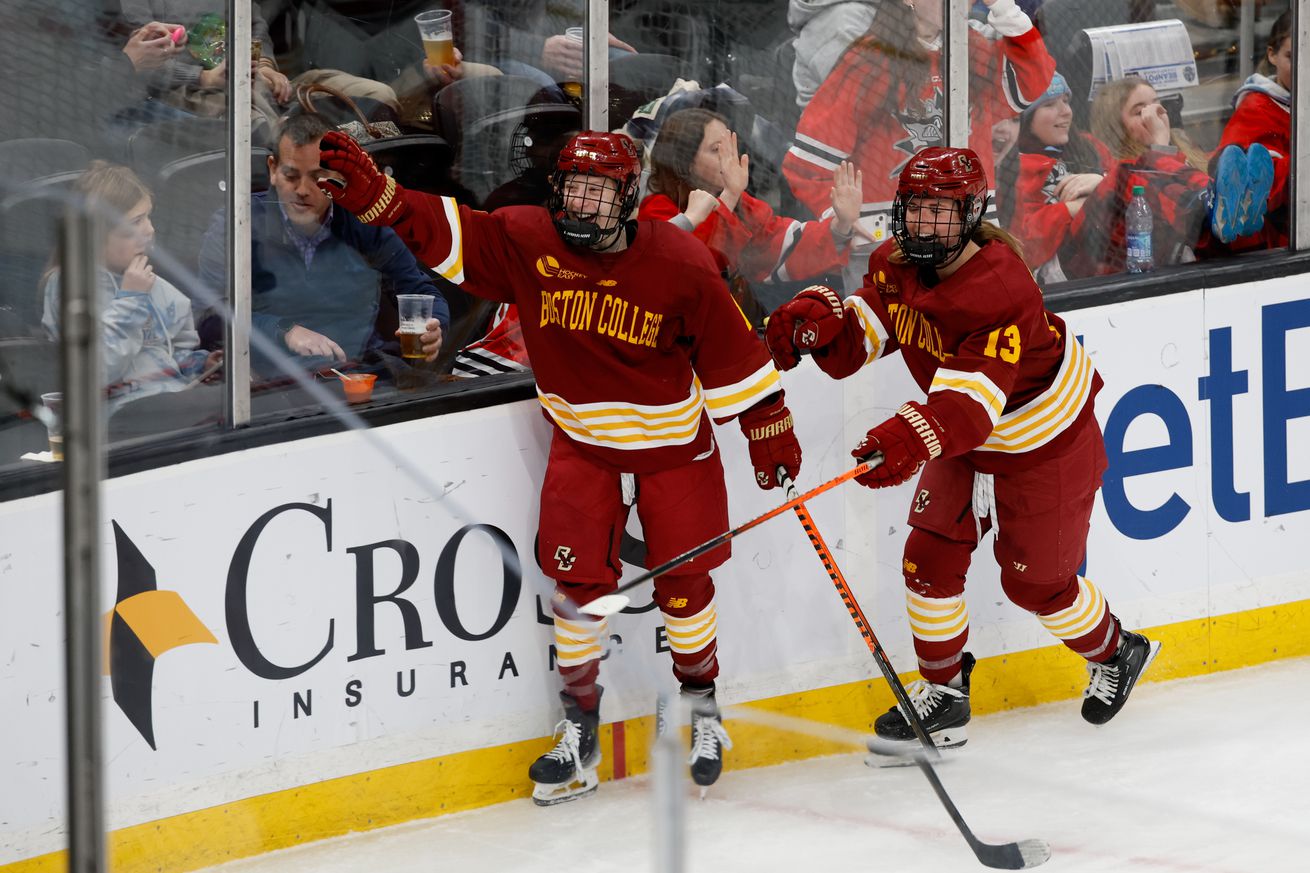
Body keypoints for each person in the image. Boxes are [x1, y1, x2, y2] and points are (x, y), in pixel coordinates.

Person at [316, 128, 804, 799]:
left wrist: (767, 426)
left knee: (685, 587)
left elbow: (731, 353)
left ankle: (700, 707)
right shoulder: (529, 240)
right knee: (576, 592)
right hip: (583, 446)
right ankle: (580, 729)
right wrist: (385, 199)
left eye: (597, 192)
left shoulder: (681, 261)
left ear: (627, 198)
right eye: (572, 188)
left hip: (672, 450)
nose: (581, 203)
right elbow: (449, 231)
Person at [765, 147, 1161, 755]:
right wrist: (823, 328)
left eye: (941, 211)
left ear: (972, 214)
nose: (924, 224)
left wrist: (906, 438)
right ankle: (946, 694)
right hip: (965, 440)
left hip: (1041, 443)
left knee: (1039, 588)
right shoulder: (895, 263)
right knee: (927, 561)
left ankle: (1117, 651)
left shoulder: (998, 287)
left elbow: (969, 409)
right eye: (915, 208)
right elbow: (865, 339)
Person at [783, 0, 1055, 286]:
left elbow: (1035, 77)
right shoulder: (870, 59)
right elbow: (807, 164)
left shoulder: (971, 48)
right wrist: (843, 222)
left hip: (970, 244)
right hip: (892, 253)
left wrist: (1003, 6)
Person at [198, 114, 450, 377]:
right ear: (273, 169)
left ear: (339, 176)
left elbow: (420, 291)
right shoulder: (237, 226)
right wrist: (283, 331)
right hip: (272, 385)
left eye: (318, 177)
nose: (303, 190)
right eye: (291, 176)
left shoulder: (366, 221)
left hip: (362, 375)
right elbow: (209, 318)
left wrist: (435, 328)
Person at [41, 163, 221, 432]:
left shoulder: (158, 288)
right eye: (135, 222)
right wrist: (131, 299)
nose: (149, 230)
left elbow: (171, 353)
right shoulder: (69, 287)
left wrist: (201, 364)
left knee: (249, 400)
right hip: (117, 420)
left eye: (148, 217)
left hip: (173, 406)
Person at [638, 108, 863, 300]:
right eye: (716, 150)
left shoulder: (740, 204)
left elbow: (779, 242)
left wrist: (839, 226)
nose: (728, 157)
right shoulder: (657, 209)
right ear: (685, 162)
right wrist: (730, 195)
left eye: (729, 147)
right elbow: (695, 266)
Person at [1214, 9, 1291, 250]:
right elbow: (1247, 183)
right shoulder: (1256, 108)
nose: (1304, 66)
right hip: (1276, 240)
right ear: (1272, 55)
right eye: (1292, 57)